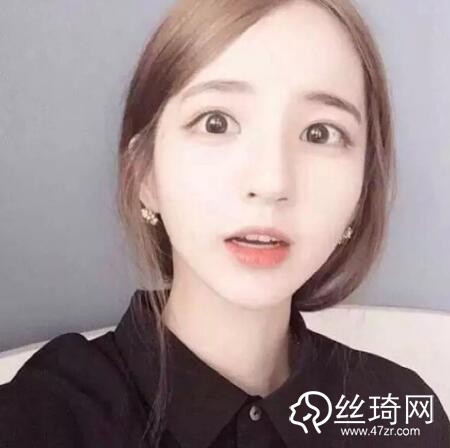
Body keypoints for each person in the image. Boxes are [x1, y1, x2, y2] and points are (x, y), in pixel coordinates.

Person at [1, 0, 449, 447]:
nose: (271, 183)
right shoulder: (43, 416)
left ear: (361, 192)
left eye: (320, 133)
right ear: (144, 174)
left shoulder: (401, 415)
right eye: (216, 123)